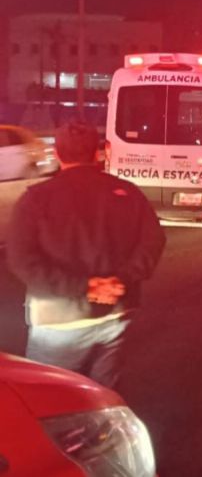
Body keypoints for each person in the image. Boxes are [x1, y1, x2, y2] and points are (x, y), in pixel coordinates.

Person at [7, 120, 166, 389]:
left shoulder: (37, 199)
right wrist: (121, 280)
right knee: (102, 395)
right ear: (98, 152)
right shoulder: (127, 192)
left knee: (53, 398)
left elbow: (22, 260)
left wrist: (86, 287)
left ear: (57, 154)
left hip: (60, 321)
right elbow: (153, 241)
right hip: (116, 313)